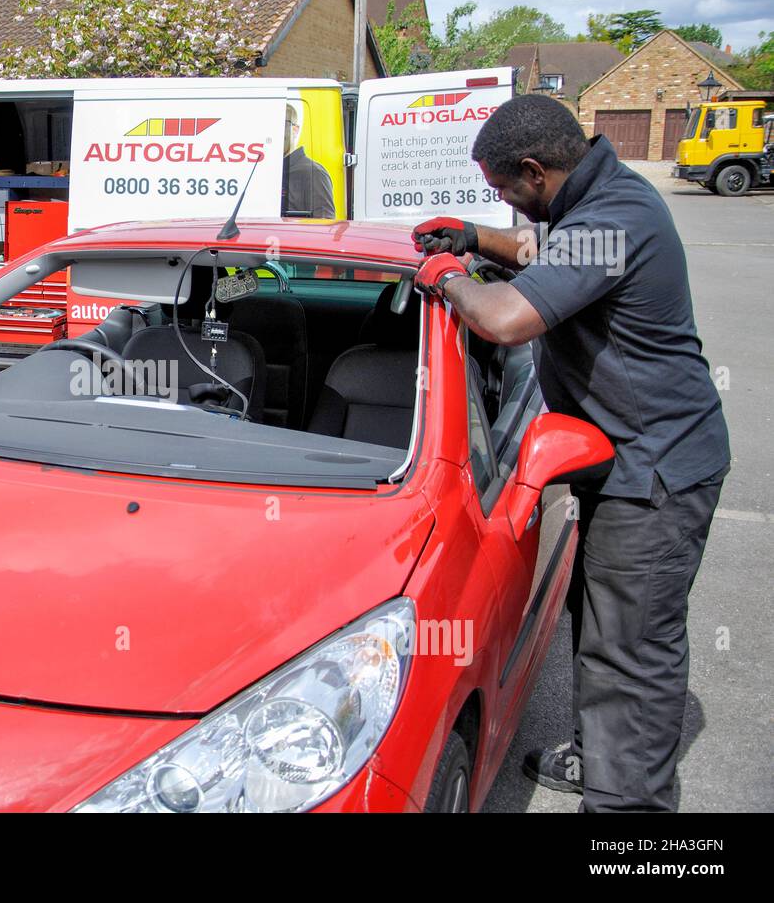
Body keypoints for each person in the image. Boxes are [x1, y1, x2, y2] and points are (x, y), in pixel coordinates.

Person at [412, 94, 730, 812]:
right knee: (603, 624)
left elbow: (504, 319)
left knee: (630, 659)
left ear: (535, 170)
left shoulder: (619, 218)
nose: (504, 203)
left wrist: (447, 277)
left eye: (502, 191)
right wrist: (474, 235)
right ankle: (596, 755)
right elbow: (543, 252)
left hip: (658, 473)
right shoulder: (600, 201)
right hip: (632, 461)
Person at [281, 103, 335, 218]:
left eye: (282, 125)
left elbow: (323, 227)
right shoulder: (264, 171)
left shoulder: (314, 173)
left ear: (295, 130)